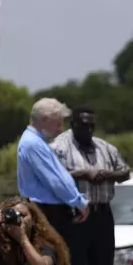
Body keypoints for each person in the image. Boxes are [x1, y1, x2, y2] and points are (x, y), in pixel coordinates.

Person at [51, 106, 129, 265]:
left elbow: (125, 173)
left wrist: (107, 175)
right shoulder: (59, 147)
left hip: (102, 214)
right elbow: (52, 176)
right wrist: (84, 174)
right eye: (84, 125)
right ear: (73, 125)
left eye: (92, 126)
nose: (89, 130)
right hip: (74, 215)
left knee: (104, 260)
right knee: (75, 260)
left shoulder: (105, 148)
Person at [16, 98, 89, 249]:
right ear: (44, 119)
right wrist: (78, 202)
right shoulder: (33, 144)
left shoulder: (35, 141)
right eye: (57, 123)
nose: (60, 129)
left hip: (46, 210)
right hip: (47, 212)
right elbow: (56, 181)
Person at [0, 197, 70, 265]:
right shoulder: (2, 242)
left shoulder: (44, 243)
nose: (19, 220)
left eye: (23, 215)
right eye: (14, 216)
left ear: (33, 219)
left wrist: (22, 239)